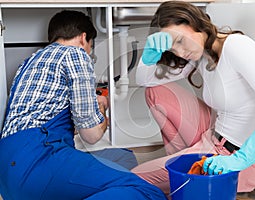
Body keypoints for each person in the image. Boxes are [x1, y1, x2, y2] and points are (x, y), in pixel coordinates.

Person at [132, 0, 255, 195]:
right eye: (174, 49)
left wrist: (240, 159)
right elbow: (146, 81)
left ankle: (182, 167)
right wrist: (148, 56)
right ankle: (180, 160)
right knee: (155, 92)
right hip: (212, 137)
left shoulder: (236, 46)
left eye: (180, 41)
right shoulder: (201, 54)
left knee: (136, 179)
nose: (182, 53)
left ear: (194, 22)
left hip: (238, 158)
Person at [0, 10, 166, 200]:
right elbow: (92, 135)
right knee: (147, 191)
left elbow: (44, 119)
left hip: (7, 173)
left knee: (122, 157)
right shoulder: (75, 54)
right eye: (91, 47)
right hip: (38, 160)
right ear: (83, 38)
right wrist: (101, 107)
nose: (89, 53)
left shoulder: (29, 62)